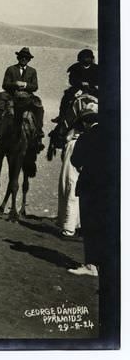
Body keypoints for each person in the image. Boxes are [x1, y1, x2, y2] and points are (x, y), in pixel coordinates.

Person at [68, 111, 101, 277]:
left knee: (90, 225)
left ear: (86, 123)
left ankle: (91, 265)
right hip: (112, 188)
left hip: (90, 186)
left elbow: (76, 161)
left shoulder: (86, 137)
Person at [0, 47, 45, 150]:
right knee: (1, 106)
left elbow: (35, 86)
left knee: (39, 107)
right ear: (18, 57)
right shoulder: (11, 69)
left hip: (27, 96)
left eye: (26, 58)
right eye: (22, 57)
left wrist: (25, 85)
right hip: (12, 95)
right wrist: (15, 84)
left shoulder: (32, 71)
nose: (24, 59)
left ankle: (38, 133)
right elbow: (5, 85)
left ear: (29, 60)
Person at [53, 49, 99, 124]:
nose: (87, 59)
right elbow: (72, 80)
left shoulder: (97, 68)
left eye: (89, 57)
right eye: (85, 58)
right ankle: (61, 117)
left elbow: (99, 80)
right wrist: (80, 83)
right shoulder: (75, 68)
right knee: (66, 98)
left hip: (91, 89)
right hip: (78, 88)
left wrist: (90, 84)